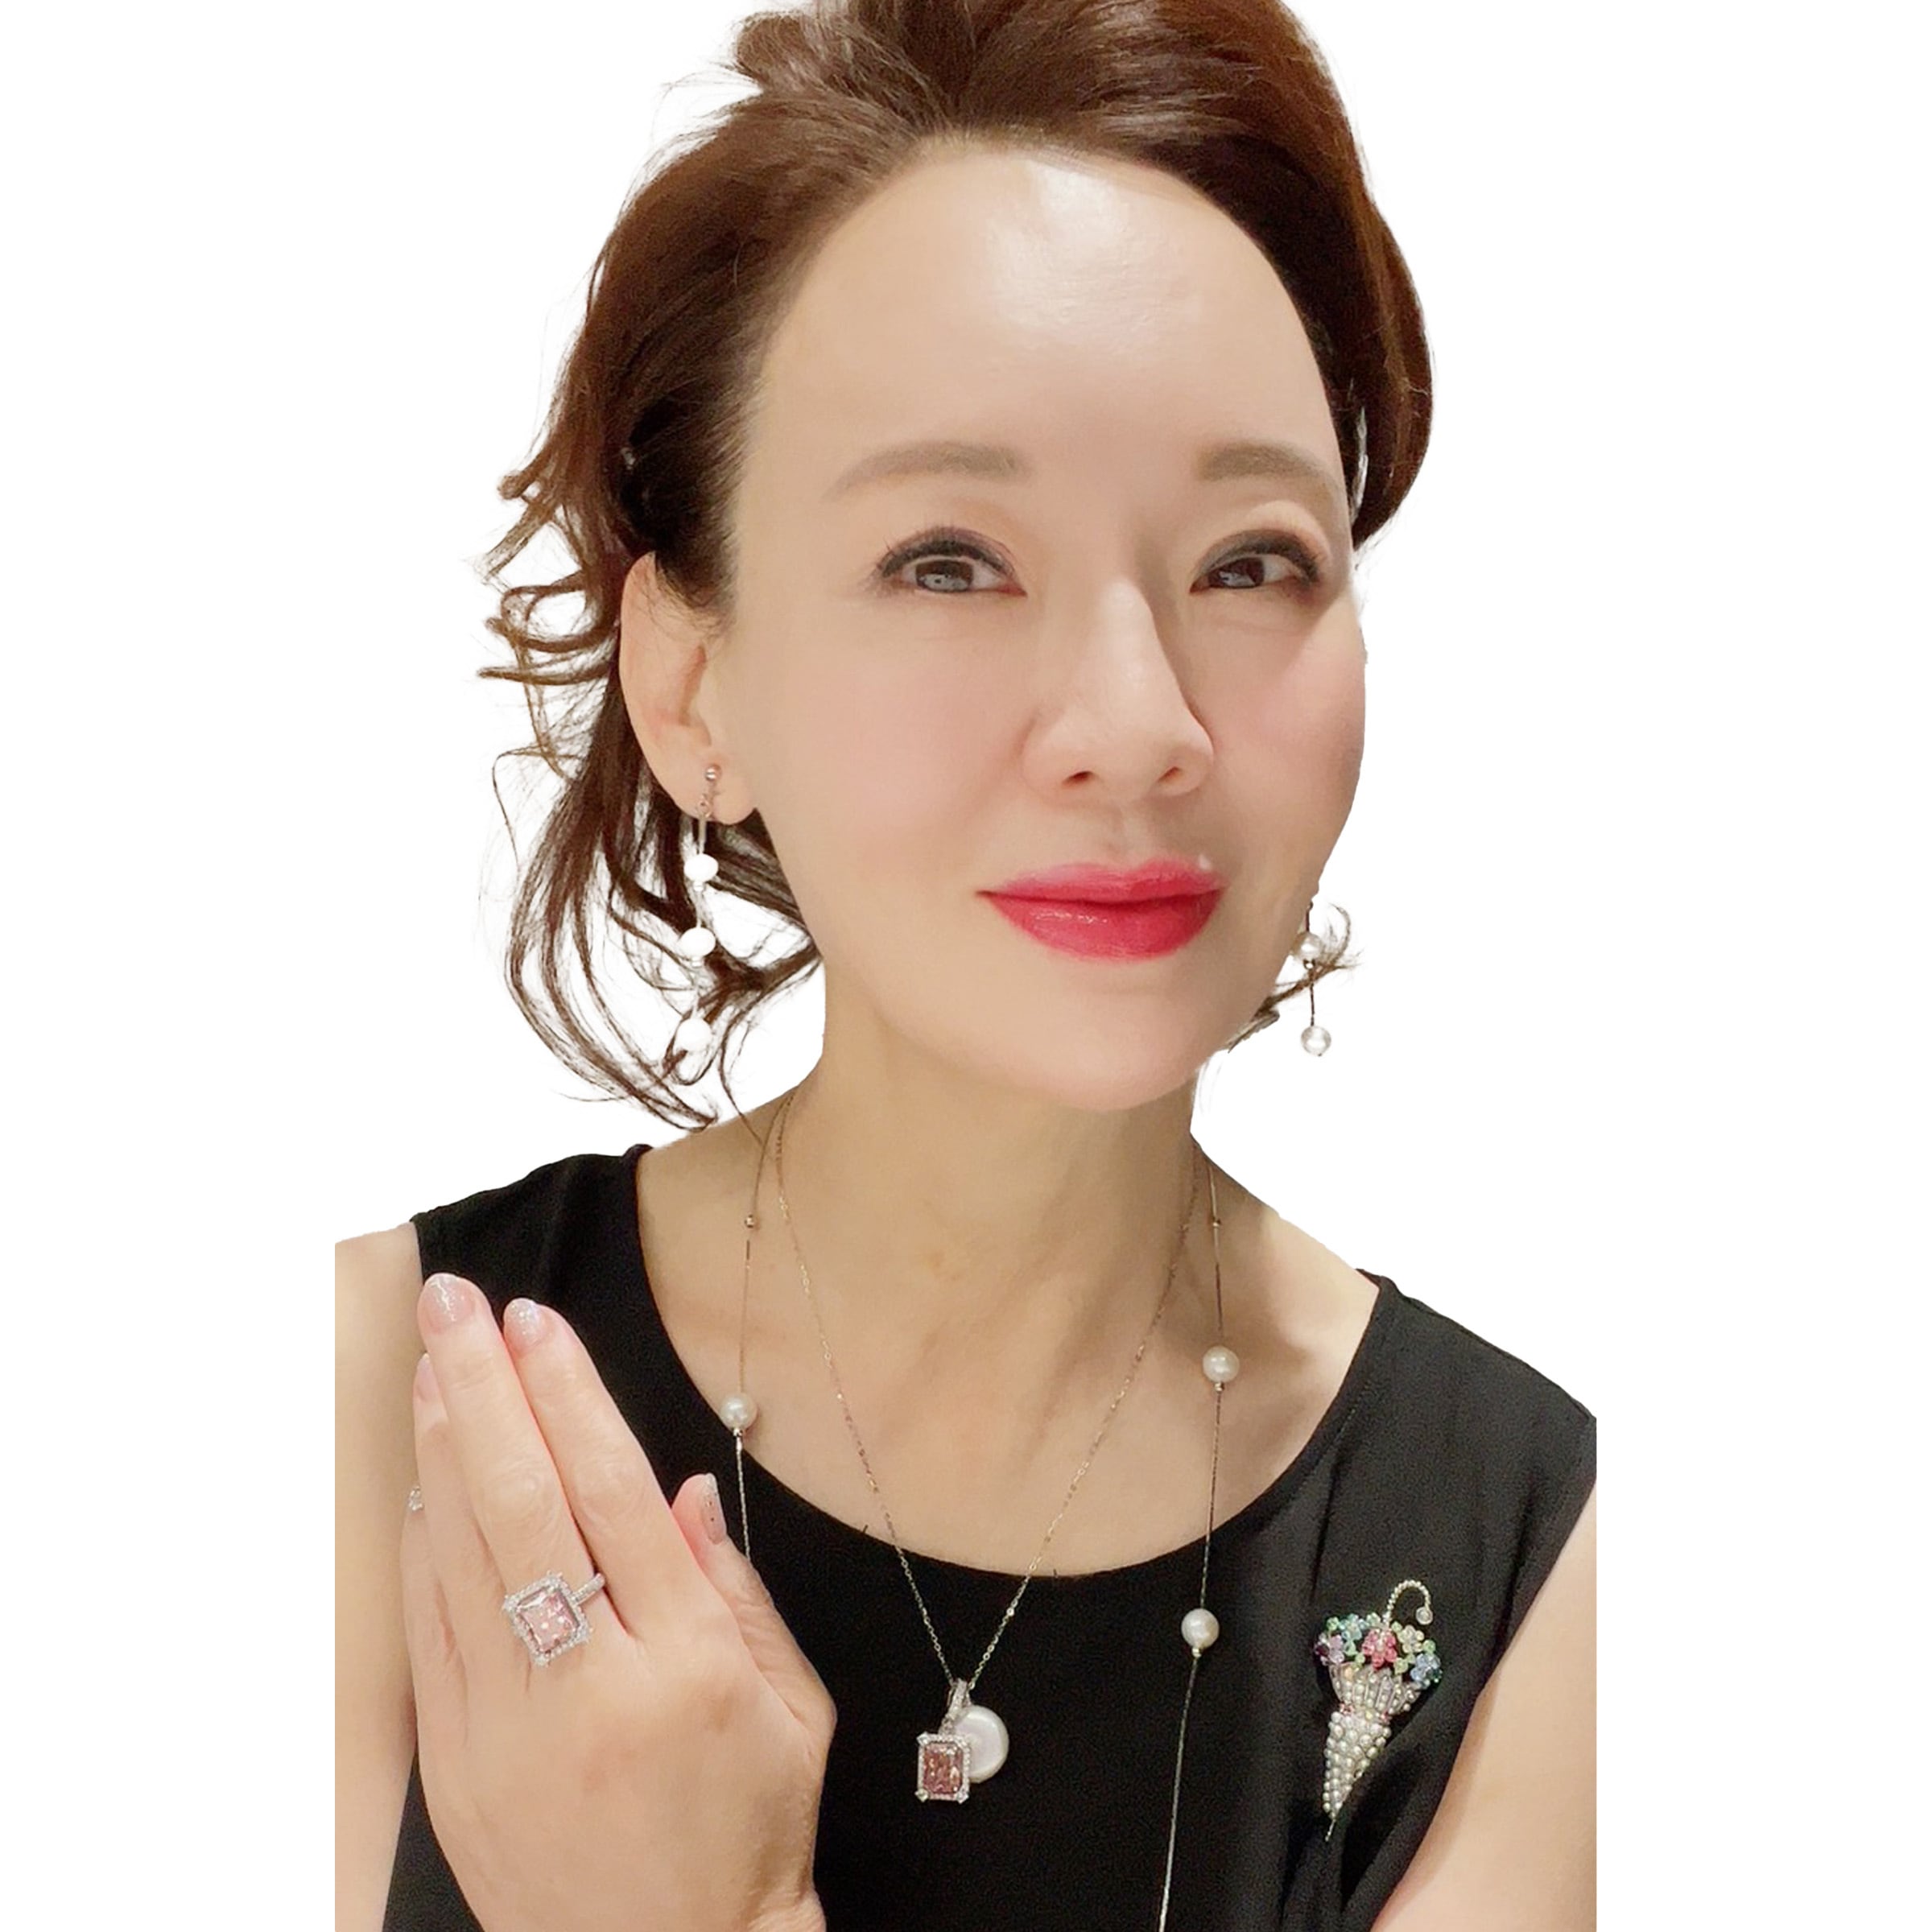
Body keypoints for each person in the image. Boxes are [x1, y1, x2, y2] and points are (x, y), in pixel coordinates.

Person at [336, 2, 1596, 1927]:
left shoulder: (1531, 1571)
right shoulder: (361, 1408)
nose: (1138, 724)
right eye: (949, 560)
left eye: (1252, 560)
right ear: (689, 684)